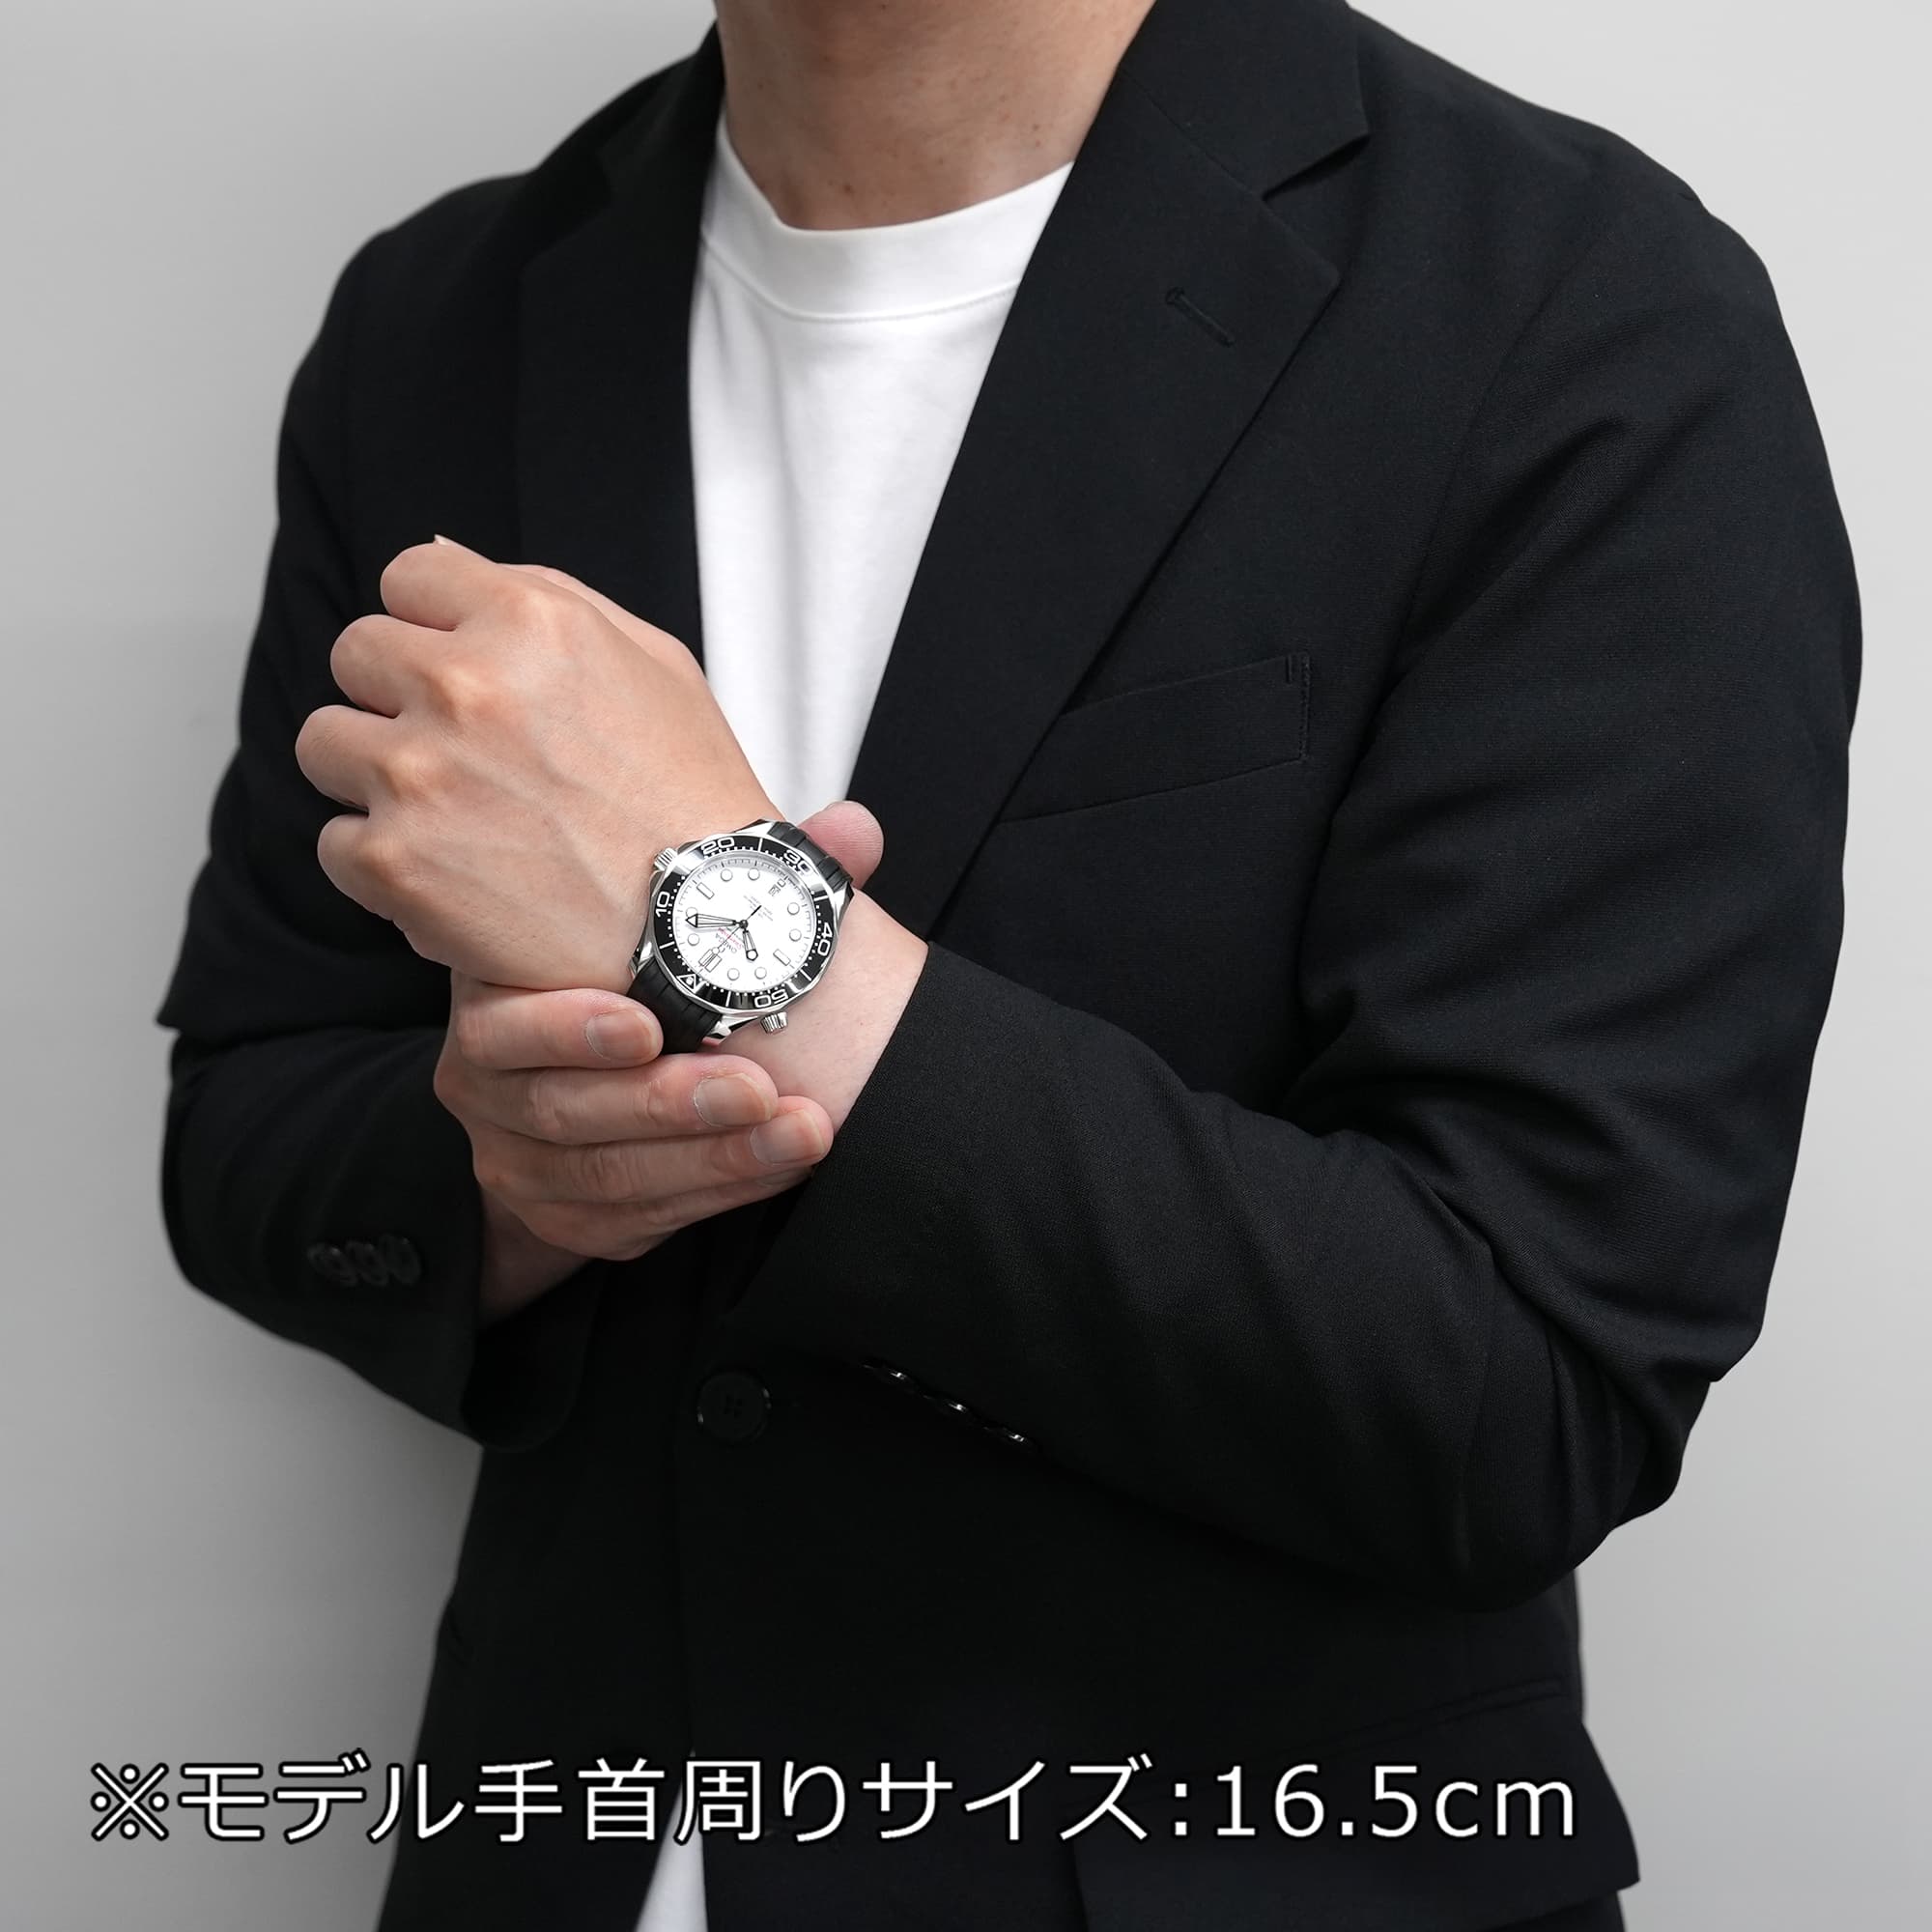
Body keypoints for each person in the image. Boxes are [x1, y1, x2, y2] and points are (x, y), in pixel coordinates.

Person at [156, 0, 1859, 1927]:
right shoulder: (443, 316)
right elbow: (251, 1132)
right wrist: (510, 1176)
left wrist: (744, 939)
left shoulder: (1567, 308)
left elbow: (1524, 1386)